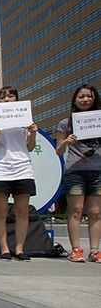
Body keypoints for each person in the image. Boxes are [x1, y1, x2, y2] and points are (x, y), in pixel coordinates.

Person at [0, 86, 38, 261]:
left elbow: (29, 147)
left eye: (11, 96)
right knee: (1, 211)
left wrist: (33, 134)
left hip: (23, 168)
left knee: (22, 211)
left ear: (17, 99)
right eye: (2, 97)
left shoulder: (25, 120)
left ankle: (20, 249)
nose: (7, 99)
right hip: (1, 170)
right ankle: (4, 248)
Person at [55, 84, 101, 262]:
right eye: (81, 96)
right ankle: (76, 249)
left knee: (95, 212)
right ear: (75, 100)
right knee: (75, 211)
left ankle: (95, 250)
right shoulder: (65, 123)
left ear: (95, 98)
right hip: (75, 172)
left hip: (97, 171)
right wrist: (66, 141)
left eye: (89, 96)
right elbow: (58, 151)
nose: (85, 100)